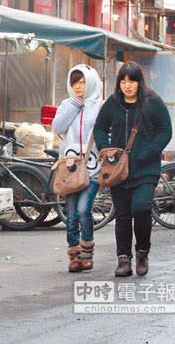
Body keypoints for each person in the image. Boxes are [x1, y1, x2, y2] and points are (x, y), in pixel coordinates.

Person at [93, 61, 172, 277]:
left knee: (141, 208)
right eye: (123, 81)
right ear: (119, 83)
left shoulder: (152, 102)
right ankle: (123, 259)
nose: (127, 86)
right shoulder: (113, 103)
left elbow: (165, 131)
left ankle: (142, 252)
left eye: (132, 81)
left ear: (139, 82)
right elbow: (99, 128)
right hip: (118, 170)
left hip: (146, 169)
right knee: (123, 215)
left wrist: (147, 153)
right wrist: (104, 148)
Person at [52, 64, 103, 273]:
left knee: (84, 210)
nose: (79, 86)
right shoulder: (68, 104)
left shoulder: (100, 106)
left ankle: (87, 252)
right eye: (75, 83)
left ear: (90, 82)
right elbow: (58, 127)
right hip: (70, 167)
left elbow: (102, 133)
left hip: (92, 167)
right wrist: (75, 105)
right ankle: (74, 255)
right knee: (71, 214)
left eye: (82, 82)